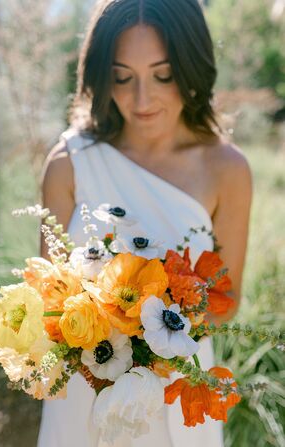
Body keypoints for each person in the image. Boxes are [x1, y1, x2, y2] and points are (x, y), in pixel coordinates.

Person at [38, 0, 252, 446]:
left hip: (175, 398)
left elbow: (226, 302)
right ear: (101, 75)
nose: (142, 99)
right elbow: (49, 301)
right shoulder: (68, 164)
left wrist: (144, 317)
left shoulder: (226, 169)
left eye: (163, 75)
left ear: (192, 67)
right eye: (122, 77)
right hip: (83, 394)